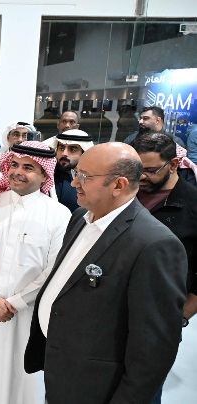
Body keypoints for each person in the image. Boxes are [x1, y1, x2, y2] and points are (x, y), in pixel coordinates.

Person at [24, 142, 187, 403]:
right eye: (76, 173)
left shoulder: (153, 245)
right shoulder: (81, 217)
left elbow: (153, 350)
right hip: (62, 369)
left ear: (119, 185)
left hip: (98, 386)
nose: (75, 183)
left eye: (85, 177)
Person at [0, 141, 70, 404]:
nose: (17, 172)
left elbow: (54, 269)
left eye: (28, 167)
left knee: (22, 377)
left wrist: (13, 303)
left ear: (45, 174)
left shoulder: (58, 215)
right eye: (14, 165)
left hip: (26, 315)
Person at [131, 133, 197, 403]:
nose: (141, 176)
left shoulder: (193, 205)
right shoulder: (126, 193)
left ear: (173, 165)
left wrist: (184, 312)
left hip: (160, 316)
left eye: (150, 170)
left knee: (143, 389)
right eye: (137, 169)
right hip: (114, 308)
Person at [0, 121, 35, 196]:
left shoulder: (36, 161)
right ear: (8, 138)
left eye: (25, 136)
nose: (20, 140)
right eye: (16, 135)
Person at [43, 129, 94, 212]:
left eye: (72, 149)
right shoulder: (46, 175)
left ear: (83, 153)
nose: (64, 153)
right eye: (61, 148)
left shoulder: (92, 180)